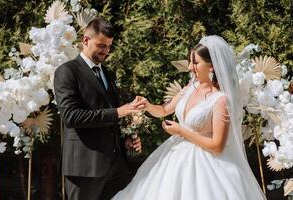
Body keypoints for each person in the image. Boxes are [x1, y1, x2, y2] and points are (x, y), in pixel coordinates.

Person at [112, 35, 266, 200]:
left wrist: (181, 131)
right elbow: (164, 110)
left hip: (207, 165)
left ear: (212, 66)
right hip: (174, 157)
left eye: (196, 62)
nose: (190, 67)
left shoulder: (221, 100)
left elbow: (217, 146)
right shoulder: (191, 87)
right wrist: (148, 105)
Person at [54, 17, 142, 200]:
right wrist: (118, 112)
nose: (106, 51)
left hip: (116, 166)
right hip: (85, 168)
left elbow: (108, 114)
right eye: (102, 45)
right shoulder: (67, 72)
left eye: (109, 46)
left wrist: (125, 140)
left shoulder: (107, 73)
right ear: (85, 40)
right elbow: (71, 117)